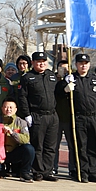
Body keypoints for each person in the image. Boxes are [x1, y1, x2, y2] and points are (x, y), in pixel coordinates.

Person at [56, 53, 96, 183]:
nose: (83, 66)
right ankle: (82, 172)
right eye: (81, 63)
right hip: (78, 117)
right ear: (76, 65)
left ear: (89, 65)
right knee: (81, 146)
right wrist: (65, 87)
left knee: (94, 145)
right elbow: (58, 94)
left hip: (93, 117)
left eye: (86, 63)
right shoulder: (71, 78)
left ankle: (93, 172)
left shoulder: (95, 79)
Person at [18, 51, 59, 182]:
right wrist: (27, 114)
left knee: (50, 146)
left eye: (44, 61)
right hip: (37, 115)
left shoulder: (51, 76)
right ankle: (38, 171)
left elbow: (57, 93)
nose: (42, 64)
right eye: (38, 62)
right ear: (33, 63)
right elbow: (22, 97)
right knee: (38, 145)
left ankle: (48, 171)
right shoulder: (27, 77)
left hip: (52, 115)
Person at [0, 98, 35, 182]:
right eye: (6, 107)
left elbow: (26, 139)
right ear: (2, 108)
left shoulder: (21, 122)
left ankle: (25, 173)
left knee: (29, 149)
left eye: (11, 107)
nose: (8, 109)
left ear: (15, 109)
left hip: (14, 152)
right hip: (0, 154)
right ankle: (1, 169)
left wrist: (12, 133)